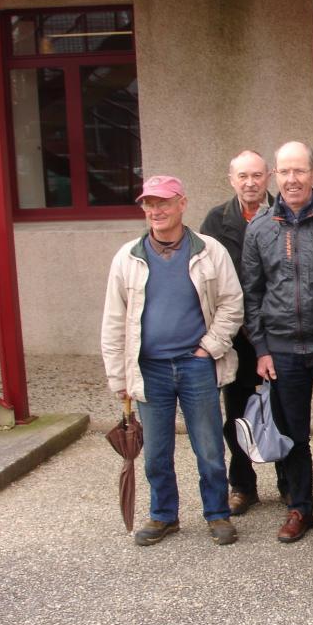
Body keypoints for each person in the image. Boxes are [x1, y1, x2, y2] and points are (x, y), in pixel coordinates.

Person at [101, 175, 243, 546]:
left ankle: (217, 514)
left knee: (210, 447)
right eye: (149, 204)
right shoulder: (128, 258)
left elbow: (232, 303)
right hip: (150, 369)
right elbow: (114, 321)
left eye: (163, 202)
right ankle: (164, 515)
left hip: (197, 365)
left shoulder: (210, 251)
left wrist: (209, 346)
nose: (155, 210)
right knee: (156, 452)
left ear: (182, 203)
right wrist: (119, 377)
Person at [241, 141, 313, 545]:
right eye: (284, 172)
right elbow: (251, 294)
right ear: (276, 176)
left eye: (299, 171)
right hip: (281, 351)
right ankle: (300, 507)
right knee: (292, 434)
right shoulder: (259, 229)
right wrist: (260, 349)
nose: (292, 179)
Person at [200, 150, 278, 516]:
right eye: (243, 176)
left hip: (279, 332)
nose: (250, 183)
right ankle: (243, 485)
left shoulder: (284, 213)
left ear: (269, 177)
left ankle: (290, 484)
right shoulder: (216, 221)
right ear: (231, 179)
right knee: (237, 413)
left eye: (257, 175)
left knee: (282, 410)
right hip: (236, 336)